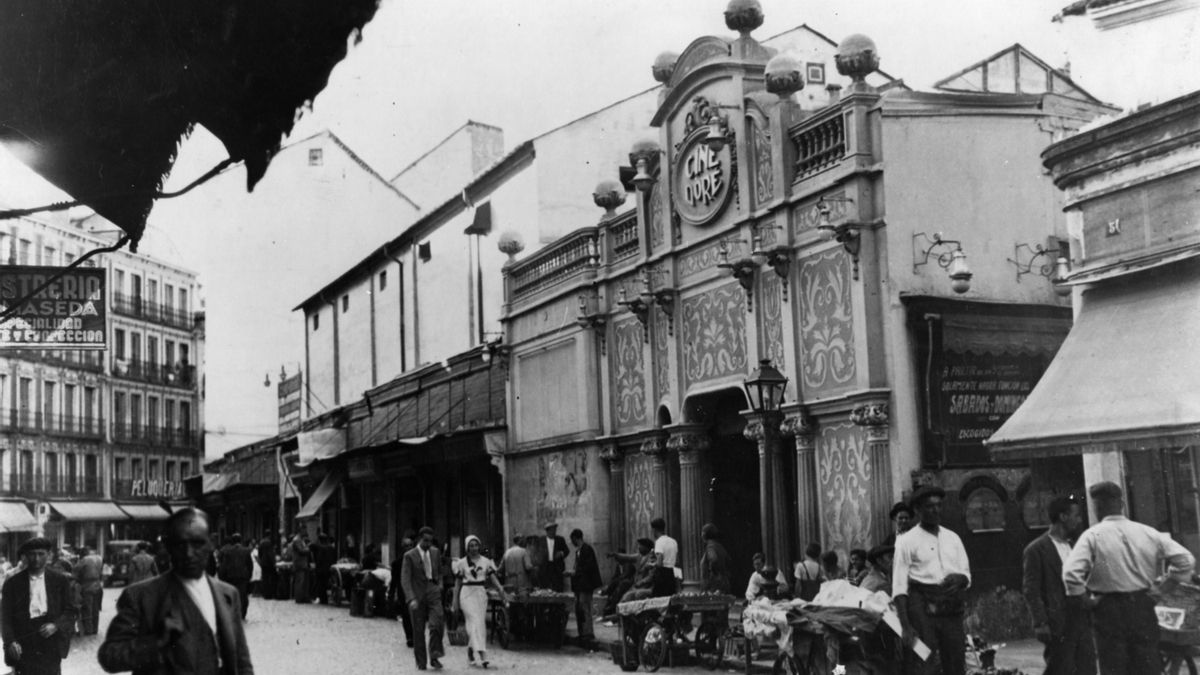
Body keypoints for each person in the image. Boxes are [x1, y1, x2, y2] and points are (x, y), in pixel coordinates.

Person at [98, 507, 254, 674]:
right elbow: (109, 655)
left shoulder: (228, 594)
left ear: (210, 544)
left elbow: (241, 661)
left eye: (197, 543)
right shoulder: (142, 596)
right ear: (168, 547)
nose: (189, 553)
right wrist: (156, 643)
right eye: (180, 544)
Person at [1063, 481, 1195, 675]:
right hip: (1143, 605)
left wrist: (1086, 601)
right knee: (1147, 665)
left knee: (1115, 667)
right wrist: (1164, 587)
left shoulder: (1092, 536)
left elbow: (1071, 574)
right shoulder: (1147, 532)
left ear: (1096, 506)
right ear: (1121, 504)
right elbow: (1186, 560)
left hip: (1108, 609)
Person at [893, 485, 971, 675]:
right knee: (925, 662)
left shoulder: (953, 538)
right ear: (918, 510)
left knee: (956, 660)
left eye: (939, 506)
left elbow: (967, 575)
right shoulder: (907, 541)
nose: (936, 510)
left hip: (950, 607)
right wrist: (906, 626)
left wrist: (961, 579)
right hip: (921, 607)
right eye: (929, 506)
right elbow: (899, 587)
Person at [1023, 495, 1095, 675]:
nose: (1079, 521)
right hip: (1058, 624)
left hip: (1081, 621)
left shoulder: (1075, 546)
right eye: (1076, 515)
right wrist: (1040, 623)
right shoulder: (1036, 549)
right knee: (1060, 669)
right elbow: (1031, 590)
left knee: (1087, 668)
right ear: (1063, 517)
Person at [1, 537, 80, 675]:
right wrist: (10, 641)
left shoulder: (60, 581)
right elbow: (5, 617)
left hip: (50, 640)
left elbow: (71, 610)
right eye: (32, 554)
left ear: (48, 555)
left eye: (41, 554)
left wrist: (56, 625)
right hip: (24, 640)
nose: (36, 559)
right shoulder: (12, 584)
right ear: (25, 556)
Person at [451, 535, 508, 668]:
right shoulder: (462, 563)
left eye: (476, 545)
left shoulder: (486, 561)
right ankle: (483, 654)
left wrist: (501, 591)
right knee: (475, 622)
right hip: (466, 594)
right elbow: (457, 585)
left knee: (477, 624)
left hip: (480, 595)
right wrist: (455, 602)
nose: (474, 548)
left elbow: (493, 579)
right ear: (467, 548)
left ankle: (470, 651)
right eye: (471, 546)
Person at [401, 526, 445, 671]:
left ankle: (435, 655)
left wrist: (439, 585)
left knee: (437, 622)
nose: (428, 544)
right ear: (419, 539)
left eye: (430, 541)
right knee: (418, 630)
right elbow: (405, 579)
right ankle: (421, 662)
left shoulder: (435, 552)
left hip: (433, 591)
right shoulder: (409, 556)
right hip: (417, 594)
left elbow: (439, 571)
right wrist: (411, 598)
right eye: (425, 541)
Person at [568, 529, 602, 648]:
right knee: (580, 609)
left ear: (577, 538)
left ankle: (588, 634)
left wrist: (574, 573)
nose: (572, 542)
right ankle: (583, 633)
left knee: (585, 608)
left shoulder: (586, 550)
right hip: (580, 586)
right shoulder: (580, 550)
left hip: (585, 586)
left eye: (572, 540)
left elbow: (587, 568)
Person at [218, 533, 253, 621]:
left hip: (230, 577)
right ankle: (242, 614)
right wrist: (248, 576)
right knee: (243, 596)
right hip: (242, 578)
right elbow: (250, 565)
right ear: (241, 540)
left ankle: (232, 613)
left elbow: (224, 566)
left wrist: (222, 577)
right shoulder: (246, 551)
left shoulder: (227, 552)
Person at [389, 538, 416, 648]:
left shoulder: (417, 561)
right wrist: (391, 593)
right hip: (403, 591)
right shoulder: (396, 563)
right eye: (406, 546)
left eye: (410, 545)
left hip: (416, 590)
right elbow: (394, 580)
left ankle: (416, 635)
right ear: (402, 548)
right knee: (406, 614)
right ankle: (409, 637)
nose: (409, 548)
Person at [73, 546, 104, 636]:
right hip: (98, 585)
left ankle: (88, 630)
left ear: (81, 554)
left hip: (87, 586)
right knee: (95, 608)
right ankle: (95, 629)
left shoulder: (83, 560)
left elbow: (75, 573)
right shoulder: (99, 558)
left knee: (87, 609)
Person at [614, 538, 657, 603]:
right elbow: (627, 557)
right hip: (636, 585)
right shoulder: (639, 556)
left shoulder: (651, 558)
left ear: (646, 547)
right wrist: (616, 555)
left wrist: (641, 582)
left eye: (640, 546)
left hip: (645, 586)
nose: (638, 547)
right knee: (624, 598)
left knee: (629, 597)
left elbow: (651, 576)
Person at [699, 523, 731, 594]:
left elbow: (713, 559)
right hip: (722, 584)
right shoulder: (720, 546)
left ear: (704, 534)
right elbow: (728, 561)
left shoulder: (710, 547)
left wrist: (712, 576)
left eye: (702, 532)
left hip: (713, 587)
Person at [650, 518, 678, 597]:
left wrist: (651, 565)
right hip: (672, 574)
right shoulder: (673, 541)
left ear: (654, 530)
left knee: (659, 602)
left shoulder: (659, 542)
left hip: (662, 575)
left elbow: (659, 564)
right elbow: (677, 562)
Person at [541, 523, 568, 592]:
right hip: (545, 567)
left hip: (557, 567)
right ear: (548, 531)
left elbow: (566, 550)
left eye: (555, 530)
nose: (554, 532)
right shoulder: (541, 540)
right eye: (552, 530)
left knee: (558, 586)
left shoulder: (560, 539)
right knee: (545, 586)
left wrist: (561, 553)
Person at [313, 535, 337, 605]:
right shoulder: (331, 548)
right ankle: (325, 599)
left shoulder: (321, 548)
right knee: (325, 584)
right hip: (329, 568)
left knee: (320, 584)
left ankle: (323, 599)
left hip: (321, 569)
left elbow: (319, 559)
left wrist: (317, 567)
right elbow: (334, 558)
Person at [290, 533, 311, 604]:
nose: (306, 531)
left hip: (303, 563)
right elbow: (301, 551)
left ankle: (303, 597)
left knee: (304, 582)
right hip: (299, 564)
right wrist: (308, 549)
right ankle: (299, 598)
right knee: (300, 581)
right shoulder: (297, 540)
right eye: (304, 530)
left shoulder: (301, 540)